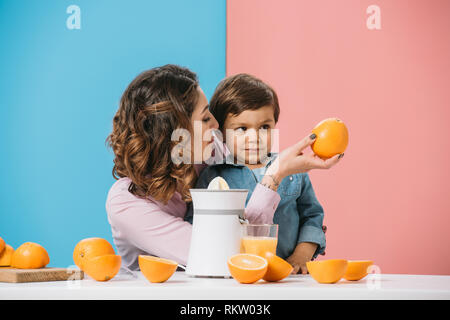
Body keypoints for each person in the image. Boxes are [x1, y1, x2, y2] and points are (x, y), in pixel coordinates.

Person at [105, 64, 341, 271]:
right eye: (206, 118)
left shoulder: (203, 155)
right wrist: (274, 176)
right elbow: (222, 254)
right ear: (174, 132)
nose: (217, 125)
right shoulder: (126, 203)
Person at [189, 74, 344, 274]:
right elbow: (197, 226)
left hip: (287, 277)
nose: (254, 138)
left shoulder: (294, 171)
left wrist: (301, 256)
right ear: (221, 133)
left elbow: (312, 216)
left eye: (264, 127)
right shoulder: (212, 177)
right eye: (242, 129)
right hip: (235, 276)